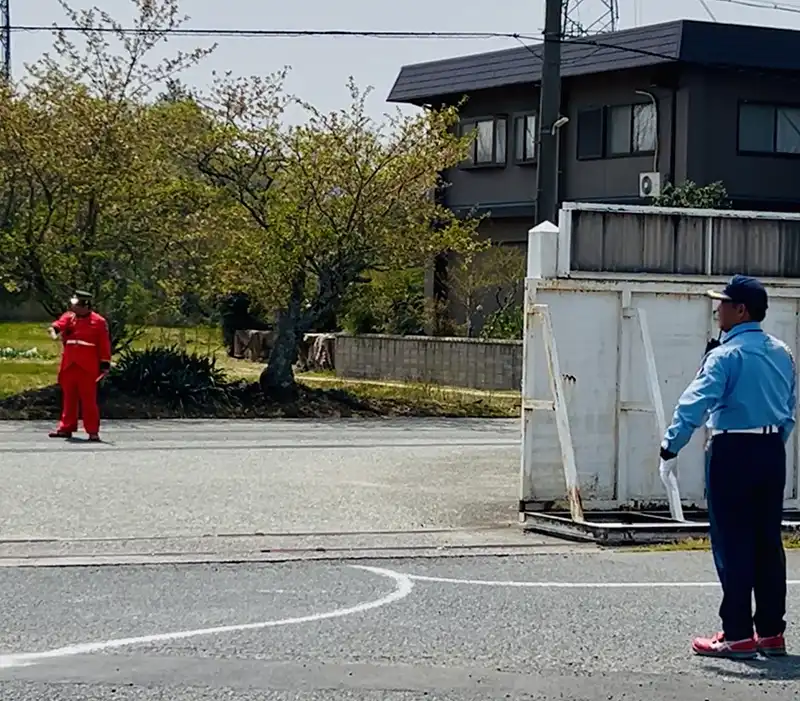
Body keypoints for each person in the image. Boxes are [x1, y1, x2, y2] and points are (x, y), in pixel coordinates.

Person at [659, 274, 796, 659]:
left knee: (732, 540)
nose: (717, 307)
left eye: (723, 302)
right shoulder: (782, 352)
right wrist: (772, 442)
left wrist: (671, 447)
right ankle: (771, 631)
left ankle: (737, 633)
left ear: (741, 310)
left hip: (732, 448)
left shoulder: (725, 355)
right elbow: (790, 407)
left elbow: (695, 403)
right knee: (767, 542)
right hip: (771, 449)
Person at [48, 290, 112, 442]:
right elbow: (58, 325)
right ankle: (66, 427)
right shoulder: (69, 317)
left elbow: (104, 344)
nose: (73, 308)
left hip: (87, 366)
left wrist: (104, 363)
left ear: (86, 305)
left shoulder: (98, 322)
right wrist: (54, 330)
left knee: (88, 400)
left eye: (77, 305)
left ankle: (92, 431)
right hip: (69, 364)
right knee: (69, 398)